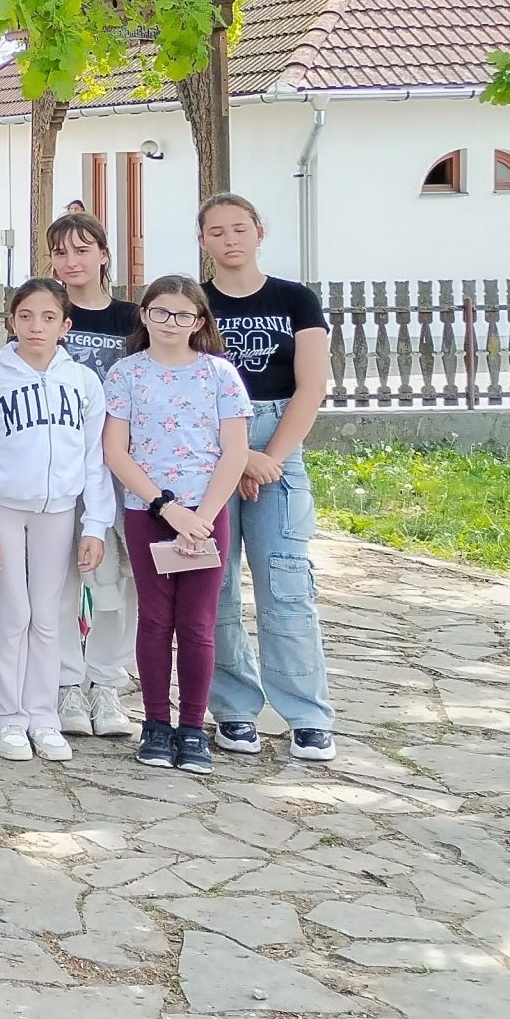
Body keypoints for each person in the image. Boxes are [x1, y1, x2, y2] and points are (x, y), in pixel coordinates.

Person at [199, 194, 338, 763]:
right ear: (203, 241)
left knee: (286, 584)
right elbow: (184, 385)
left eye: (239, 228)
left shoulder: (295, 300)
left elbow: (312, 386)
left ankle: (307, 715)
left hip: (279, 443)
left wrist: (269, 458)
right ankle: (233, 709)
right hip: (208, 450)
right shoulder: (195, 304)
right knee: (215, 586)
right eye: (216, 231)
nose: (229, 239)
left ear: (259, 232)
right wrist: (239, 458)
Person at [0, 278, 113, 765]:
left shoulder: (82, 383)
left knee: (48, 617)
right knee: (15, 614)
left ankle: (43, 718)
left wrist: (96, 524)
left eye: (48, 318)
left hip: (59, 511)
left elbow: (95, 460)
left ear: (66, 325)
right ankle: (8, 719)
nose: (36, 327)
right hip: (4, 508)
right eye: (25, 316)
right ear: (12, 322)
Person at [103, 275, 253, 776]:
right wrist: (167, 509)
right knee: (154, 619)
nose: (171, 322)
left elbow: (234, 452)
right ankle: (155, 724)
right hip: (149, 514)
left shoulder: (220, 374)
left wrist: (202, 518)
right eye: (161, 312)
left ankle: (191, 728)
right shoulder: (125, 374)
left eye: (183, 314)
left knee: (197, 624)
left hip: (206, 518)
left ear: (199, 321)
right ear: (145, 315)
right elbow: (115, 451)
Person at [47, 212, 139, 739]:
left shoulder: (133, 319)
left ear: (104, 254)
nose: (71, 261)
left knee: (122, 580)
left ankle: (107, 683)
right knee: (62, 578)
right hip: (61, 469)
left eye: (82, 249)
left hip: (123, 467)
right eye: (61, 252)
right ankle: (66, 684)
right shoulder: (46, 311)